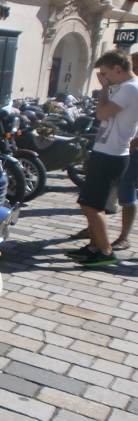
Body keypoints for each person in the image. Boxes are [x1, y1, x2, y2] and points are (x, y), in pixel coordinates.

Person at [66, 49, 138, 267]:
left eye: (105, 73)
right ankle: (95, 246)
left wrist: (105, 88)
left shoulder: (129, 88)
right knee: (92, 203)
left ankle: (106, 252)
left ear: (118, 69)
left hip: (112, 154)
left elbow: (102, 114)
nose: (102, 77)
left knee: (91, 205)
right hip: (107, 152)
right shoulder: (125, 87)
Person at [110, 50, 138, 251]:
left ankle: (124, 237)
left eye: (135, 67)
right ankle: (94, 229)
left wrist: (131, 146)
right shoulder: (125, 87)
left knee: (127, 193)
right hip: (118, 147)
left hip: (130, 149)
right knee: (105, 191)